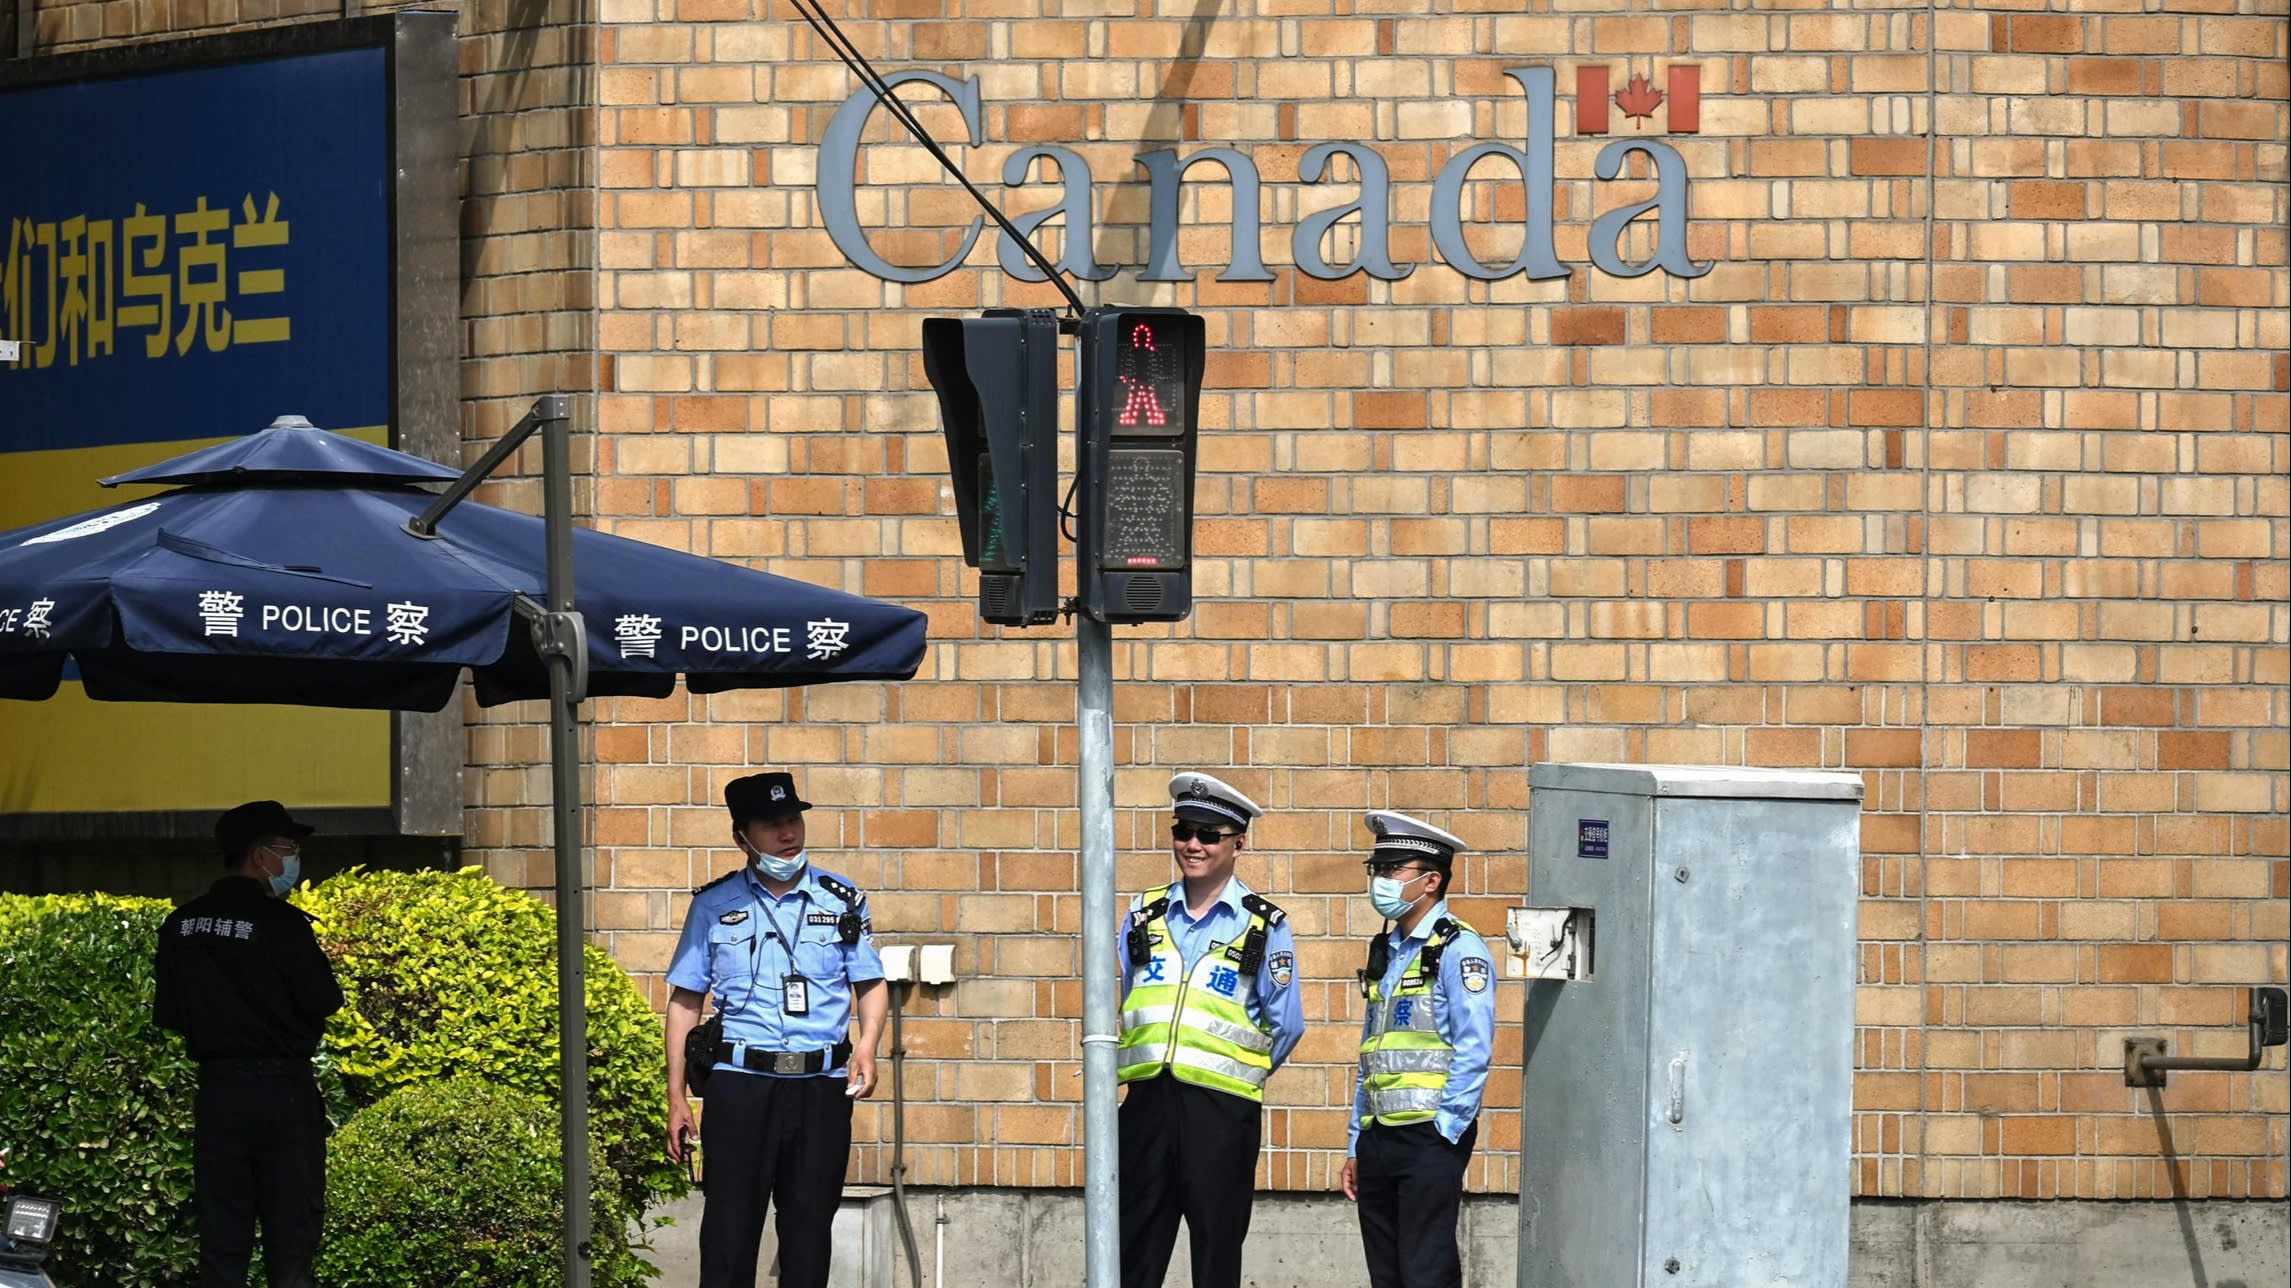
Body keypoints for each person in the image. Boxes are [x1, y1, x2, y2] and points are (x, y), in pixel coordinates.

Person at [664, 771, 887, 1288]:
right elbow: (684, 1002)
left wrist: (869, 1046)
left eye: (793, 820)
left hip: (821, 1087)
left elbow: (870, 982)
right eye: (771, 825)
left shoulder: (842, 898)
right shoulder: (713, 906)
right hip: (742, 1085)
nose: (788, 834)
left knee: (810, 1236)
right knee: (728, 1235)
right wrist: (677, 1095)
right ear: (741, 837)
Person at [1116, 771, 1305, 1288]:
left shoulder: (1264, 925)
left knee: (1216, 1253)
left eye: (1209, 835)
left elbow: (1286, 1024)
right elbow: (1131, 995)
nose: (1193, 845)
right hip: (1147, 1101)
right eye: (1184, 831)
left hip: (1222, 1111)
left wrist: (1236, 1073)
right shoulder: (1142, 913)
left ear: (1238, 844)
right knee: (1133, 1250)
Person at [153, 800, 344, 1288]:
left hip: (219, 1094)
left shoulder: (181, 924)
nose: (294, 860)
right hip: (283, 1094)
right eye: (289, 850)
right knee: (291, 1238)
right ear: (261, 856)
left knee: (222, 1238)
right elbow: (324, 999)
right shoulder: (282, 925)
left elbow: (171, 1014)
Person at [1339, 810, 1496, 1288]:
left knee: (1425, 1271)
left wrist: (1446, 1129)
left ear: (1431, 880)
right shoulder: (1387, 950)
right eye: (1378, 870)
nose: (1380, 881)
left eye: (1392, 870)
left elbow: (1475, 1048)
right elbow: (1374, 1053)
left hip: (1430, 1135)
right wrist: (1355, 1141)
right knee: (1386, 1275)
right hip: (1380, 1135)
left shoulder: (1458, 950)